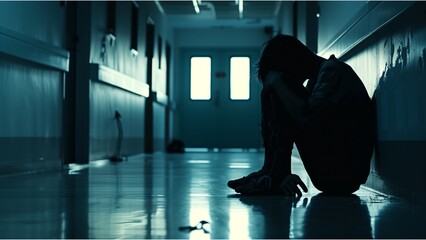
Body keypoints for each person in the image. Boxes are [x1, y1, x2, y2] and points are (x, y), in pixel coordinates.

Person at [228, 34, 374, 196]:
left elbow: (308, 119)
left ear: (294, 61)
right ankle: (270, 171)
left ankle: (275, 175)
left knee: (277, 92)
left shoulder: (333, 70)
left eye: (286, 73)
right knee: (275, 91)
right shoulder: (320, 76)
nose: (291, 79)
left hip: (344, 175)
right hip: (336, 173)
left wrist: (278, 83)